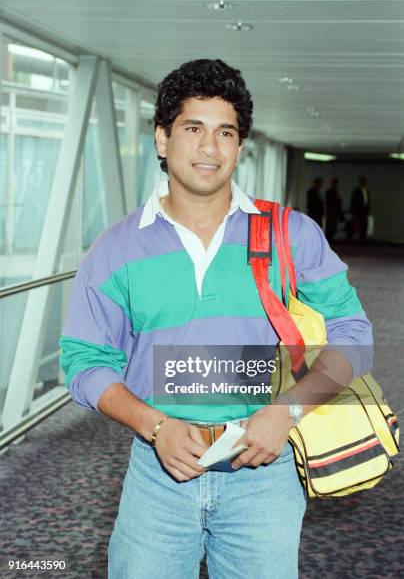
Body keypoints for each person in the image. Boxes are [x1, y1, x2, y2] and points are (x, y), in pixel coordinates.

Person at [59, 59, 373, 578]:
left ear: (240, 146)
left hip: (265, 469)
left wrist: (288, 412)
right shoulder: (116, 249)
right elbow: (85, 362)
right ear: (162, 140)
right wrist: (155, 425)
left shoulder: (289, 235)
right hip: (159, 472)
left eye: (225, 132)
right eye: (192, 128)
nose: (210, 147)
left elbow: (355, 337)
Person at [350, 176, 370, 242]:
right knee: (358, 225)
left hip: (365, 211)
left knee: (365, 225)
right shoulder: (356, 190)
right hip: (358, 211)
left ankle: (363, 239)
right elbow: (353, 201)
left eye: (365, 181)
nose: (364, 182)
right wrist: (354, 211)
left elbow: (367, 201)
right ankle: (359, 239)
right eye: (363, 181)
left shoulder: (367, 190)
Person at [325, 177, 345, 243]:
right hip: (331, 212)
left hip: (335, 212)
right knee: (330, 226)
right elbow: (328, 203)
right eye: (334, 183)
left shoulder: (337, 191)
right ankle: (328, 239)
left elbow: (339, 203)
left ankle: (331, 239)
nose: (336, 184)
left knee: (333, 226)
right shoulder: (329, 192)